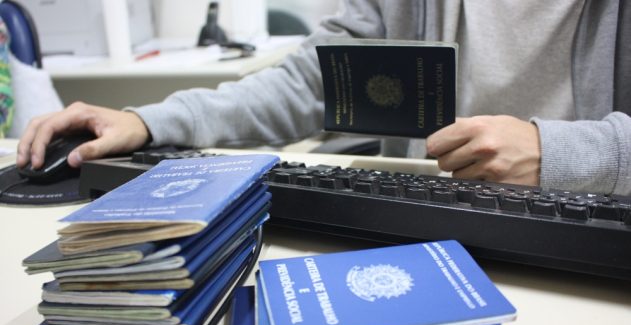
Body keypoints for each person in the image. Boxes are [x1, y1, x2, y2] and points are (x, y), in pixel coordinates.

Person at [16, 0, 631, 195]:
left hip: (591, 238)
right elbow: (311, 84)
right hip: (426, 219)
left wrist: (565, 152)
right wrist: (150, 122)